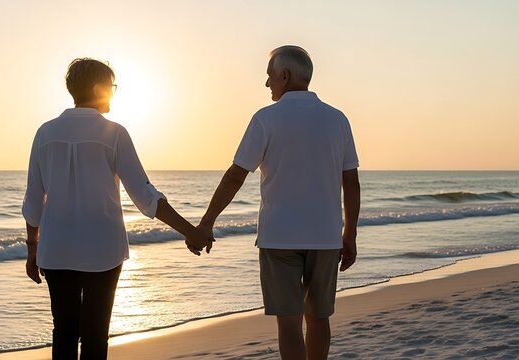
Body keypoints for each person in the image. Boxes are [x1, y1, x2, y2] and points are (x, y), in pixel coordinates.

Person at [22, 58, 211, 360]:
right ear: (98, 88)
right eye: (112, 86)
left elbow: (33, 201)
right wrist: (192, 231)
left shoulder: (45, 133)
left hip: (56, 251)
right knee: (96, 334)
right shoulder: (113, 133)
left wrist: (33, 249)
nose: (113, 92)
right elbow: (146, 196)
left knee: (65, 332)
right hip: (103, 250)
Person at [197, 45, 360, 360]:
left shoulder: (265, 119)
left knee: (289, 325)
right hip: (325, 237)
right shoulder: (338, 119)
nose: (267, 83)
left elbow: (235, 175)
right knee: (318, 318)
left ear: (285, 76)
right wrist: (350, 234)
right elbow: (350, 182)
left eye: (270, 76)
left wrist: (207, 221)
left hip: (279, 237)